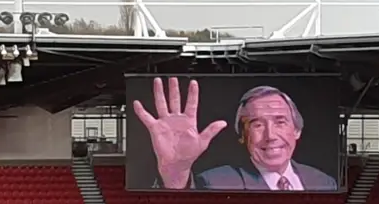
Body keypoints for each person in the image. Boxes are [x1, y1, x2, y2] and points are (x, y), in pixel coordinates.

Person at [133, 77, 337, 191]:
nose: (270, 135)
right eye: (257, 125)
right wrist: (175, 174)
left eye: (280, 122)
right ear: (242, 135)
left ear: (297, 130)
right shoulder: (214, 183)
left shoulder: (324, 182)